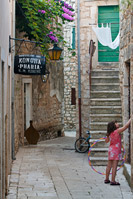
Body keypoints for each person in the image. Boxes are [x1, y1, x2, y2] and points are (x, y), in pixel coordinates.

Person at [104, 118, 131, 185]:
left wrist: (107, 136)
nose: (118, 123)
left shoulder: (109, 133)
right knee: (114, 166)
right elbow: (126, 126)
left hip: (111, 150)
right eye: (116, 123)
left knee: (109, 165)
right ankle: (113, 181)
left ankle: (106, 179)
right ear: (114, 126)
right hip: (116, 151)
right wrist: (131, 118)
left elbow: (106, 141)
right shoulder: (117, 131)